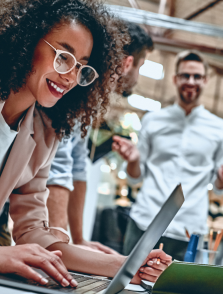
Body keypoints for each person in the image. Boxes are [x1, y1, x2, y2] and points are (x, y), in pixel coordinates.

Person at [0, 0, 170, 286]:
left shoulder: (45, 131)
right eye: (63, 57)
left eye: (82, 68)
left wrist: (125, 265)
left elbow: (34, 231)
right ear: (28, 39)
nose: (70, 76)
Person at [112, 50, 223, 261]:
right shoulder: (153, 120)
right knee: (127, 286)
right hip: (145, 222)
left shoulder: (221, 129)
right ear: (175, 79)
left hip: (189, 230)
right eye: (185, 75)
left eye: (197, 76)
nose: (191, 81)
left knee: (176, 293)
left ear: (206, 80)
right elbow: (135, 176)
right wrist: (134, 160)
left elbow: (220, 189)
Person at [45, 22, 154, 254]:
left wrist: (78, 239)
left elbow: (77, 165)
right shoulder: (78, 88)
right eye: (141, 66)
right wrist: (62, 248)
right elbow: (59, 165)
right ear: (127, 63)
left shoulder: (92, 100)